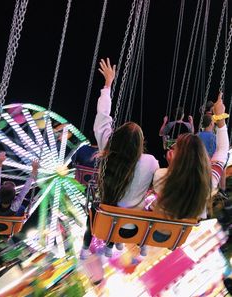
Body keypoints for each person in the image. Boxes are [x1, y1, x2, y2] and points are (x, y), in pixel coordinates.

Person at [80, 58, 159, 260]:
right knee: (122, 213)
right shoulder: (150, 162)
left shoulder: (107, 146)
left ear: (117, 138)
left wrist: (108, 84)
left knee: (102, 209)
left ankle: (101, 247)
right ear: (140, 145)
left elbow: (102, 116)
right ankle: (114, 245)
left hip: (106, 222)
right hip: (132, 227)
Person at [151, 92, 229, 221]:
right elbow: (222, 150)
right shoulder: (209, 181)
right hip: (188, 233)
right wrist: (220, 119)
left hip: (163, 234)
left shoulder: (161, 175)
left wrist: (172, 166)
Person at [0, 152, 39, 216]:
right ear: (14, 197)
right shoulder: (15, 205)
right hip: (11, 215)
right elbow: (25, 189)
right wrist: (34, 169)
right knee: (22, 208)